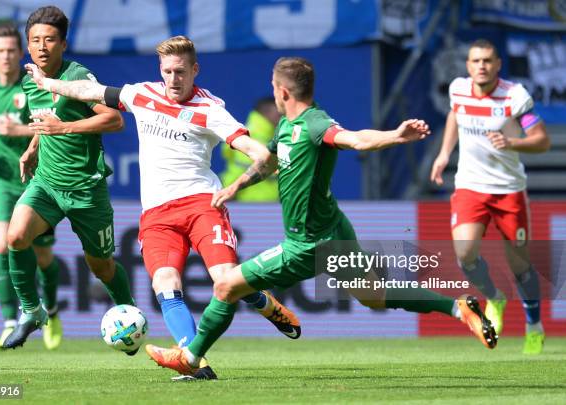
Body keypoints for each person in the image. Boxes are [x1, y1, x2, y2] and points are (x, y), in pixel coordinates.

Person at [142, 56, 498, 377]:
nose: (272, 92)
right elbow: (268, 162)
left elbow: (356, 140)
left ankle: (190, 358)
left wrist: (395, 136)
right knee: (374, 295)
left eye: (272, 87)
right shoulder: (286, 125)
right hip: (334, 229)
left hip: (309, 243)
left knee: (226, 285)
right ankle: (457, 308)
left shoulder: (315, 124)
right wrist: (236, 187)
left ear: (282, 91)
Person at [24, 35, 300, 379]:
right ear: (160, 70)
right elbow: (90, 92)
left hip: (202, 204)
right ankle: (193, 361)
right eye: (167, 71)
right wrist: (47, 82)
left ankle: (265, 304)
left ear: (195, 70)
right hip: (157, 213)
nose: (173, 79)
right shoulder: (143, 94)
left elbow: (258, 154)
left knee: (225, 282)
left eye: (181, 71)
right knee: (165, 284)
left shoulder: (211, 110)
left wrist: (239, 184)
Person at [2, 6, 135, 350]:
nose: (42, 47)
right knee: (15, 236)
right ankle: (31, 311)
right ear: (28, 46)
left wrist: (65, 128)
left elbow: (115, 120)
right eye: (35, 40)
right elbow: (46, 119)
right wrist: (34, 145)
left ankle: (130, 317)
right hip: (46, 183)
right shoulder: (30, 79)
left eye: (49, 40)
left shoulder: (79, 77)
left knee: (102, 267)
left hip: (86, 189)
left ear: (63, 44)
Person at [430, 39, 550, 355]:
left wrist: (512, 143)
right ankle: (495, 297)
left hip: (508, 189)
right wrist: (444, 153)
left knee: (520, 266)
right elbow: (455, 115)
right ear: (468, 66)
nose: (481, 66)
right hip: (470, 185)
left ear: (498, 64)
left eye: (487, 60)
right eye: (475, 61)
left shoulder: (514, 97)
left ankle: (534, 326)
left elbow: (541, 140)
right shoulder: (458, 89)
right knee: (465, 253)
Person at [0, 24, 63, 350]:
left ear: (19, 53)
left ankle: (50, 309)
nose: (7, 56)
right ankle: (11, 320)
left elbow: (48, 125)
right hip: (1, 180)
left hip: (36, 178)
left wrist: (18, 130)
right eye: (1, 51)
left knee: (43, 256)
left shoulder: (31, 85)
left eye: (12, 50)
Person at [220, 97, 280, 201]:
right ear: (266, 113)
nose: (283, 117)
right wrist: (228, 194)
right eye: (279, 114)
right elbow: (237, 172)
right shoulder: (250, 140)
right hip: (246, 207)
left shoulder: (244, 134)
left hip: (269, 207)